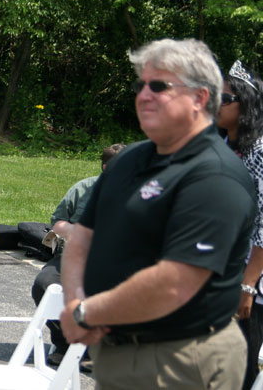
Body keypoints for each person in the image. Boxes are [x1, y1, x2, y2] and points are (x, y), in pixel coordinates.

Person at [59, 38, 256, 389]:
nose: (144, 95)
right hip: (115, 351)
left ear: (200, 98)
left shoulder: (216, 177)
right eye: (141, 85)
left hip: (181, 360)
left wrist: (86, 313)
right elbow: (82, 237)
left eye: (159, 85)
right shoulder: (129, 160)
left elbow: (174, 284)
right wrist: (75, 300)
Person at [31, 143, 125, 368]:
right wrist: (75, 231)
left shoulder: (143, 193)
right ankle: (64, 344)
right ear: (105, 167)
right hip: (75, 258)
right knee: (43, 285)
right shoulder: (83, 189)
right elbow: (57, 221)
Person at [216, 60, 263, 389]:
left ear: (246, 105)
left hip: (250, 283)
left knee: (238, 367)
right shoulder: (222, 147)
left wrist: (247, 285)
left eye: (225, 99)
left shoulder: (260, 153)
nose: (215, 105)